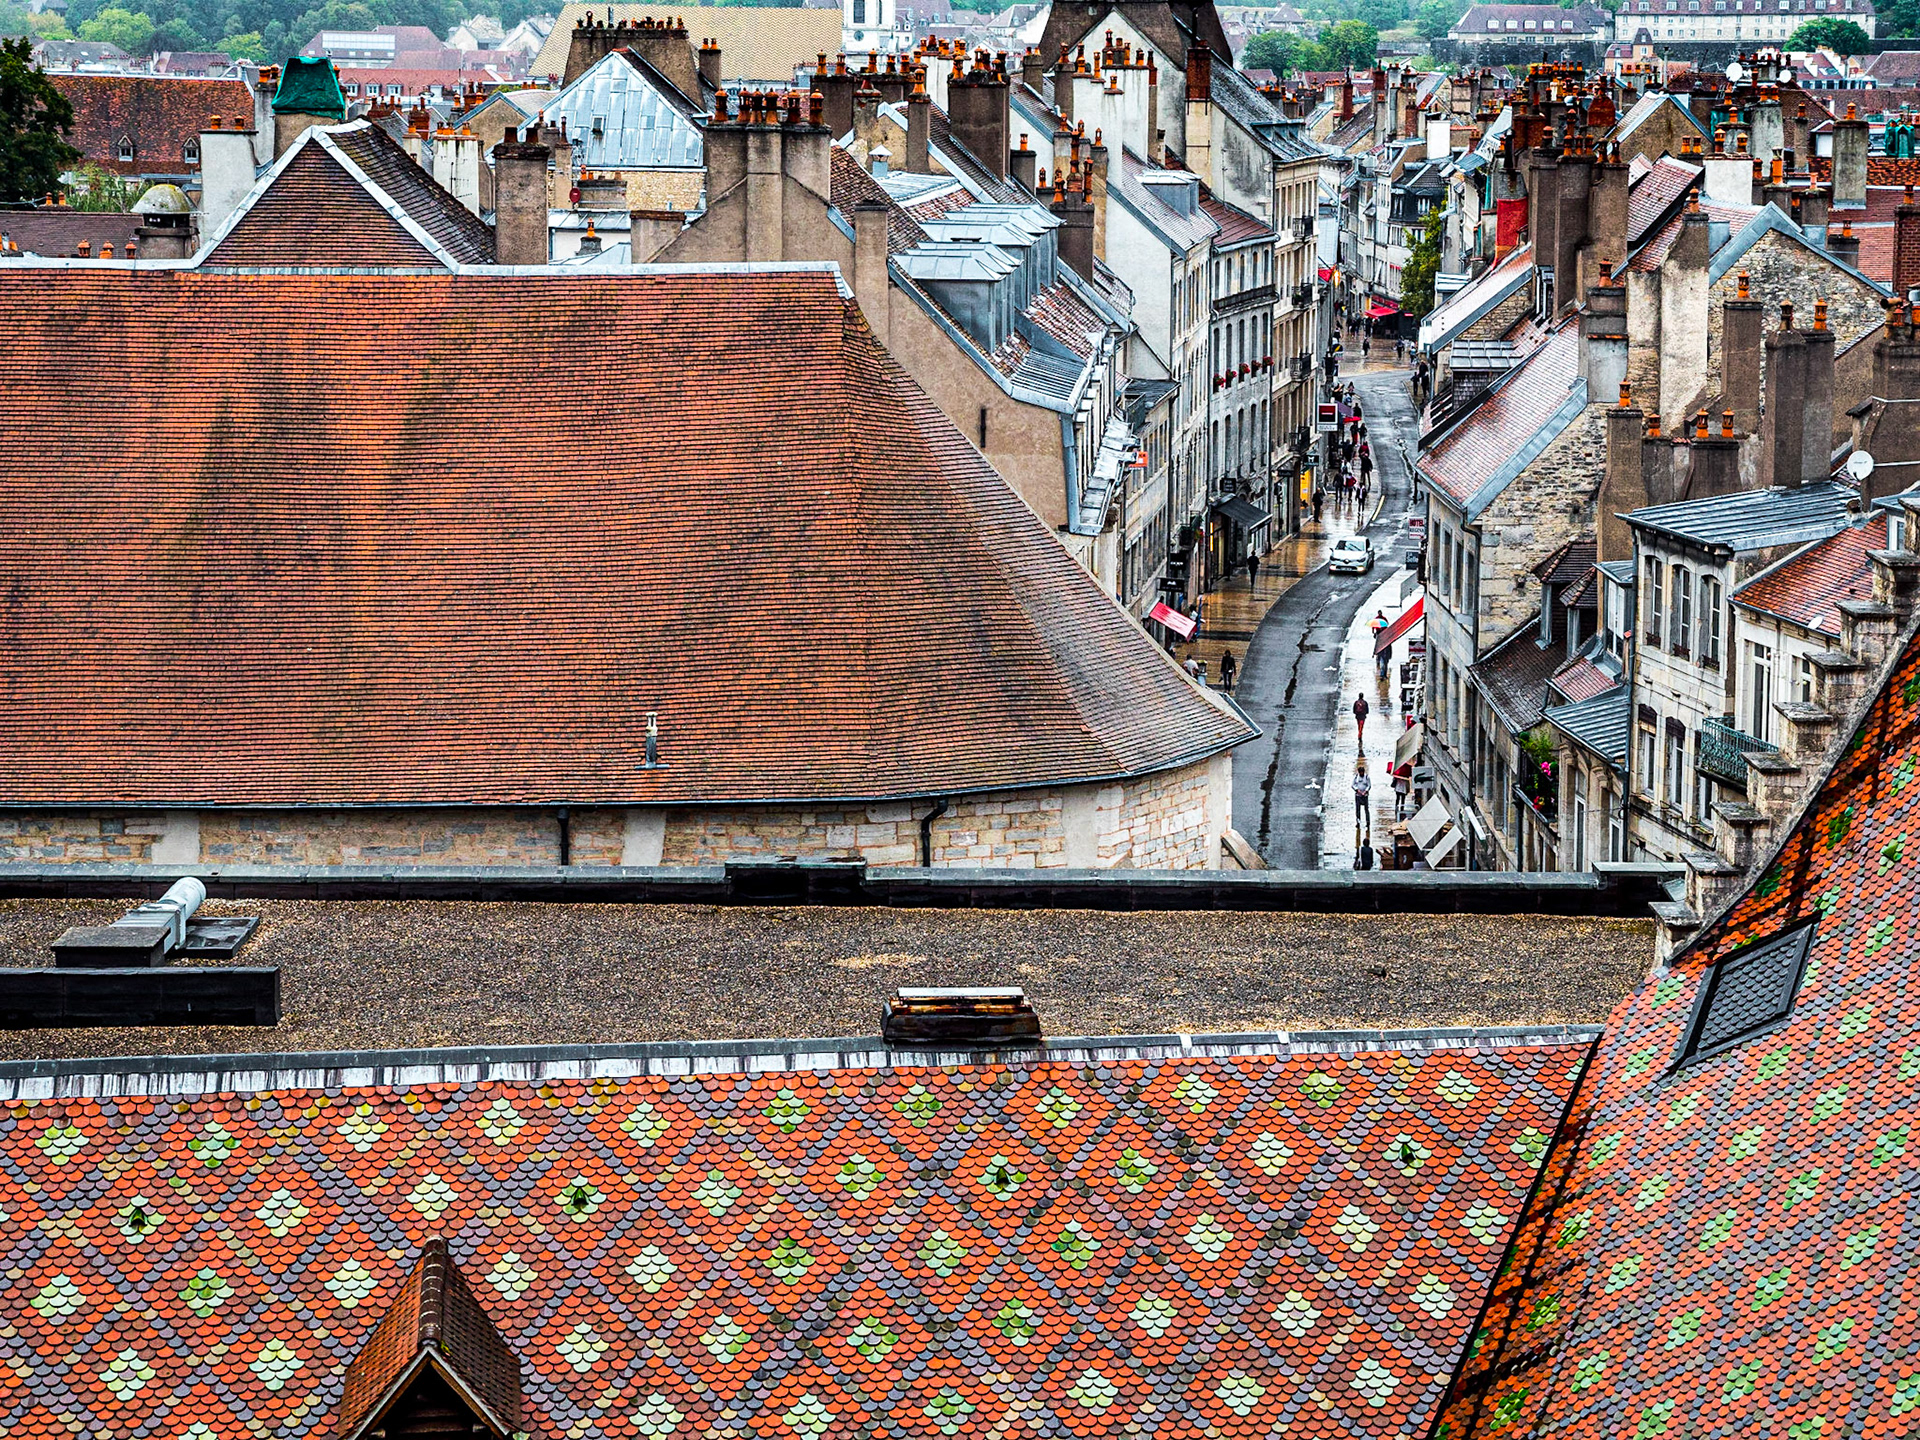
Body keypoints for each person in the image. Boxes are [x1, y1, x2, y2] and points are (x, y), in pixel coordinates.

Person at [1352, 757, 1372, 839]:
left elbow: (1369, 785)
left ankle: (1368, 822)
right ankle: (1358, 821)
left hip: (1365, 796)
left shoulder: (1367, 777)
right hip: (1358, 796)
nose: (1361, 774)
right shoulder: (1356, 777)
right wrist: (1357, 791)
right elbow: (1353, 785)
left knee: (1366, 810)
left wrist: (1365, 791)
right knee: (1358, 810)